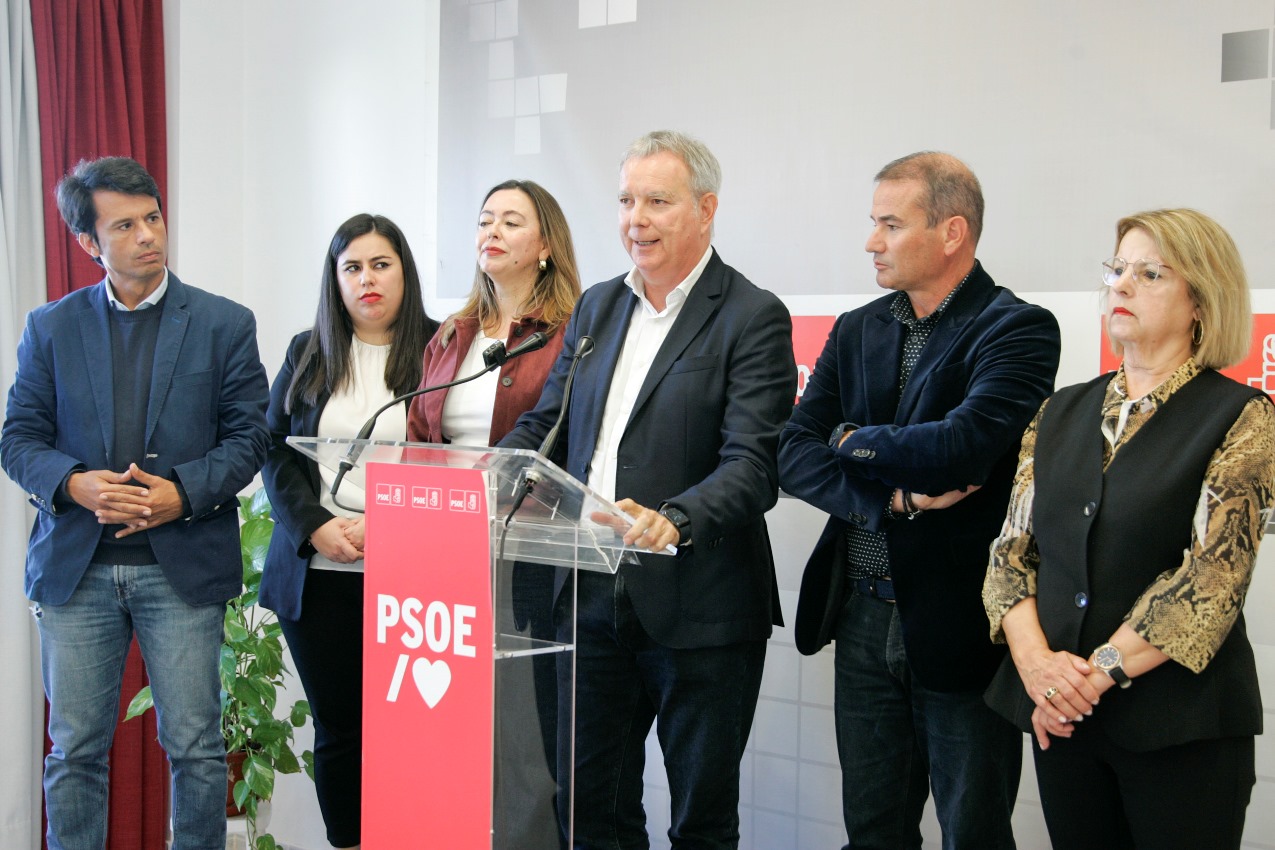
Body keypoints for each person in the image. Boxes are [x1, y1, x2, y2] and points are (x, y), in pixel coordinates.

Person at [499, 130, 796, 850]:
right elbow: (548, 425)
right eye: (627, 200)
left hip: (699, 604)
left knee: (699, 819)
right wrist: (489, 472)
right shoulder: (597, 308)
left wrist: (675, 518)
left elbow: (754, 463)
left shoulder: (750, 316)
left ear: (705, 209)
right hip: (586, 591)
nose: (636, 219)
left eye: (657, 201)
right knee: (590, 807)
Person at [777, 151, 1061, 850]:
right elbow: (790, 452)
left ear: (951, 232)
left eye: (889, 224)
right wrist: (891, 503)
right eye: (873, 223)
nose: (871, 241)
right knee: (872, 830)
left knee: (973, 829)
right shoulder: (857, 327)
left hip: (960, 621)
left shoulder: (1016, 328)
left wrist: (845, 437)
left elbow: (960, 448)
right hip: (862, 613)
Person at [0, 156, 270, 850]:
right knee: (75, 753)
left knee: (197, 750)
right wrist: (72, 483)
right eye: (125, 224)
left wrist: (182, 494)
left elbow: (250, 437)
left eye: (152, 217)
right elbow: (19, 439)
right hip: (77, 571)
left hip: (179, 569)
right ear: (90, 243)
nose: (148, 234)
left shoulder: (222, 323)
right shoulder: (49, 328)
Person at [983, 208, 1274, 850]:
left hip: (1181, 730)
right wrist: (1036, 668)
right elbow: (1010, 554)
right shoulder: (1060, 410)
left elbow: (1211, 581)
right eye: (1116, 269)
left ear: (1201, 300)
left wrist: (1091, 675)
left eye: (1149, 273)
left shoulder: (1243, 417)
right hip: (1062, 719)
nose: (1120, 286)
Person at [407, 178, 580, 848]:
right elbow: (422, 435)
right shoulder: (453, 333)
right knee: (449, 729)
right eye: (485, 220)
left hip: (526, 549)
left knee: (520, 740)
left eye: (512, 221)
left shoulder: (568, 334)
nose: (493, 231)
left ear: (545, 245)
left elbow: (565, 439)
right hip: (444, 549)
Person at [259, 214, 439, 850]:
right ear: (335, 280)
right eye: (352, 267)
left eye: (381, 264)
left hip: (415, 576)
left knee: (415, 732)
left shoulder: (444, 349)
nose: (368, 279)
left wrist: (398, 524)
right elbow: (275, 451)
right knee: (342, 731)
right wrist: (315, 529)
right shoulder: (307, 350)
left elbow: (460, 456)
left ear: (404, 272)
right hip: (321, 575)